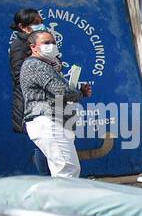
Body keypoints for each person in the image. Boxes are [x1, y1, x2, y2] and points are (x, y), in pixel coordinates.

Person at [19, 28, 91, 177]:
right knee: (67, 171)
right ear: (33, 47)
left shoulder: (46, 66)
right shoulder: (36, 65)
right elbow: (61, 91)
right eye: (46, 42)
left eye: (53, 42)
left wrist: (77, 91)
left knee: (63, 171)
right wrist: (79, 93)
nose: (51, 45)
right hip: (48, 121)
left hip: (54, 121)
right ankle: (66, 201)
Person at [9, 7, 51, 175]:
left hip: (45, 99)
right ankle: (46, 179)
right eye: (35, 23)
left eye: (41, 22)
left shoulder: (37, 40)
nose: (40, 25)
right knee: (42, 143)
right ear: (22, 26)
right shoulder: (19, 45)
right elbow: (18, 75)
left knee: (47, 142)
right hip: (31, 102)